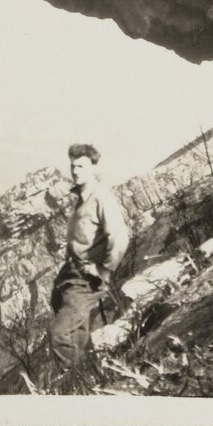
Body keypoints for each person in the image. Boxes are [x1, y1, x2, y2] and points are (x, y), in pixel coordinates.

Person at [48, 143, 130, 372]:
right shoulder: (81, 198)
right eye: (73, 166)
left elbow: (120, 237)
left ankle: (76, 379)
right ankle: (89, 370)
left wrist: (104, 270)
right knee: (74, 325)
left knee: (60, 334)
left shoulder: (101, 198)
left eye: (81, 166)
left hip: (86, 278)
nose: (75, 171)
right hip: (72, 272)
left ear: (94, 168)